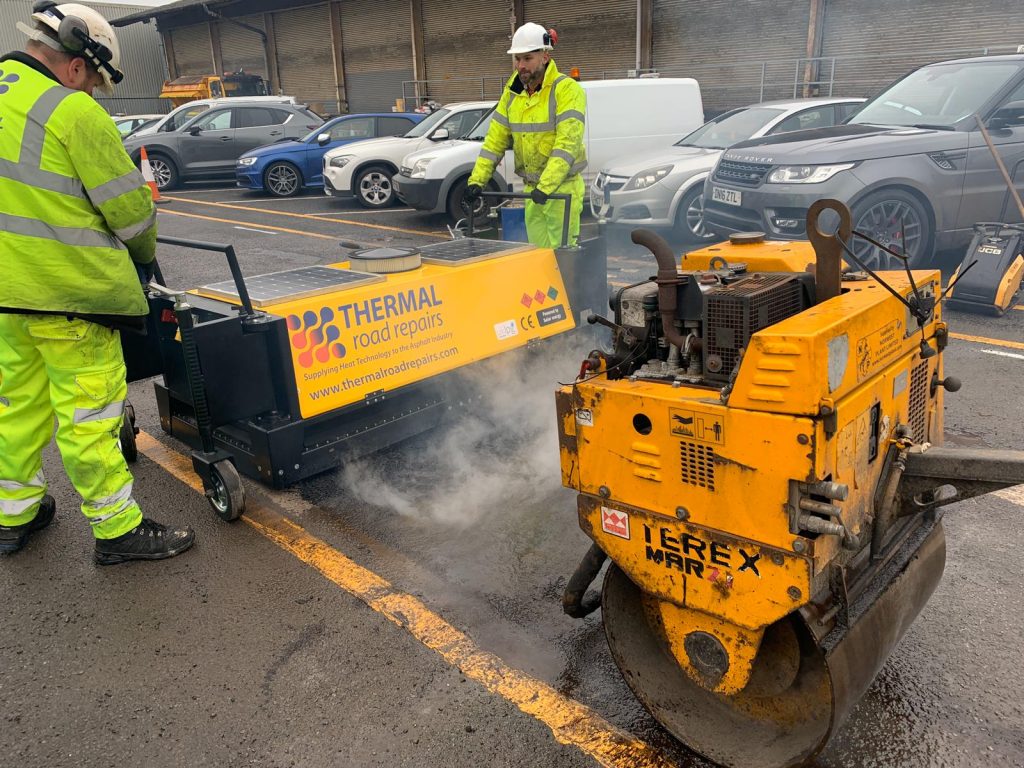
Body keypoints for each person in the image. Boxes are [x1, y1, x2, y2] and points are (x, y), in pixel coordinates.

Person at [0, 2, 195, 564]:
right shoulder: (71, 113)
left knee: (16, 407)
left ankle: (14, 516)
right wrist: (144, 257)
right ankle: (116, 530)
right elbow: (132, 216)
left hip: (7, 299)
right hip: (70, 298)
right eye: (94, 83)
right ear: (78, 65)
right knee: (89, 416)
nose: (90, 95)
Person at [465, 22, 587, 249]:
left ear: (545, 56)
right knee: (538, 257)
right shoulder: (511, 94)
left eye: (527, 58)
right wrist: (477, 181)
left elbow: (567, 144)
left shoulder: (567, 90)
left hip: (562, 191)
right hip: (532, 190)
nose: (521, 65)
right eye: (517, 59)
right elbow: (495, 141)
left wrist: (547, 187)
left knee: (563, 257)